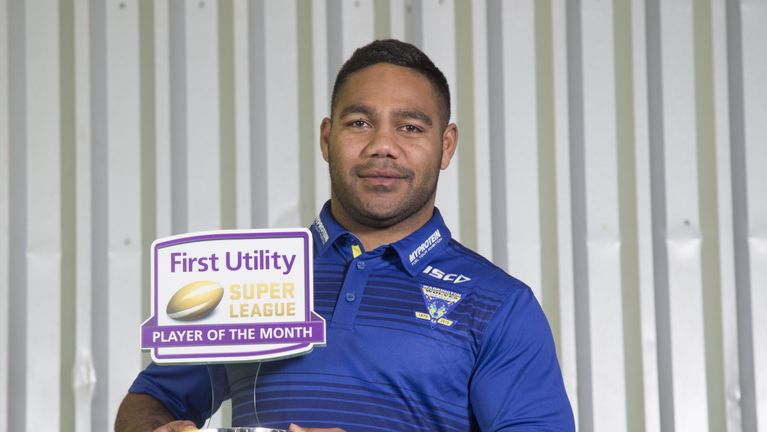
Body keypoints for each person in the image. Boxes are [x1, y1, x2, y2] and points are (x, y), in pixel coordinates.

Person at [115, 39, 574, 432]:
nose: (382, 145)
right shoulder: (248, 276)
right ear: (326, 138)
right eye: (359, 123)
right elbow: (149, 401)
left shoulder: (499, 304)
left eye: (410, 127)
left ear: (446, 145)